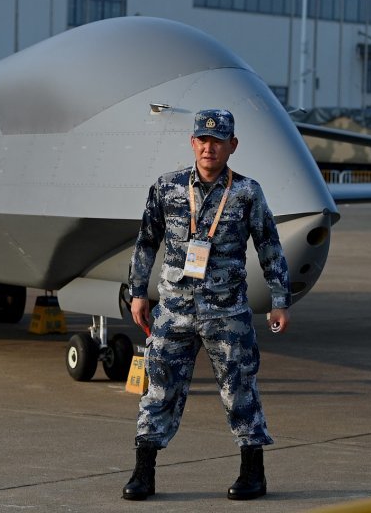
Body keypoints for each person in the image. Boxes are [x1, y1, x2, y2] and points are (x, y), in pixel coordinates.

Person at [123, 109, 291, 501]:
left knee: (239, 389)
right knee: (159, 389)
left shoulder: (248, 192)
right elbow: (146, 242)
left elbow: (269, 246)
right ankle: (143, 473)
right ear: (192, 142)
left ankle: (253, 473)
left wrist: (280, 300)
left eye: (217, 141)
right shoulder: (167, 188)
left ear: (232, 145)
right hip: (174, 309)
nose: (208, 147)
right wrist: (136, 292)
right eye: (201, 139)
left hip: (227, 311)